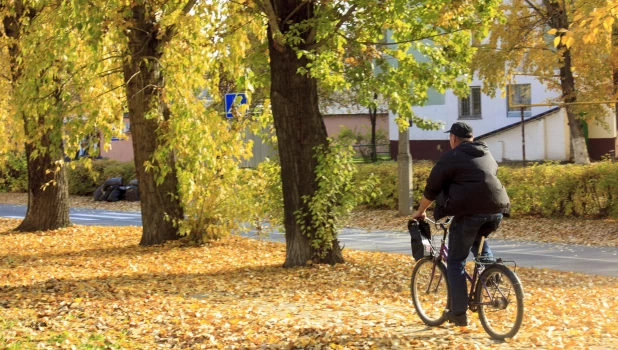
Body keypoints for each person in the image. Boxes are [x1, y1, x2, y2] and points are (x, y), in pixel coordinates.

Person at [412, 121, 510, 327]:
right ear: (472, 138)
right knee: (477, 237)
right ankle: (491, 273)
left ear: (453, 138)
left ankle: (458, 313)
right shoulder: (486, 154)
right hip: (497, 211)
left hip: (469, 214)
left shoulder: (451, 157)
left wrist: (421, 211)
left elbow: (432, 188)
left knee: (456, 261)